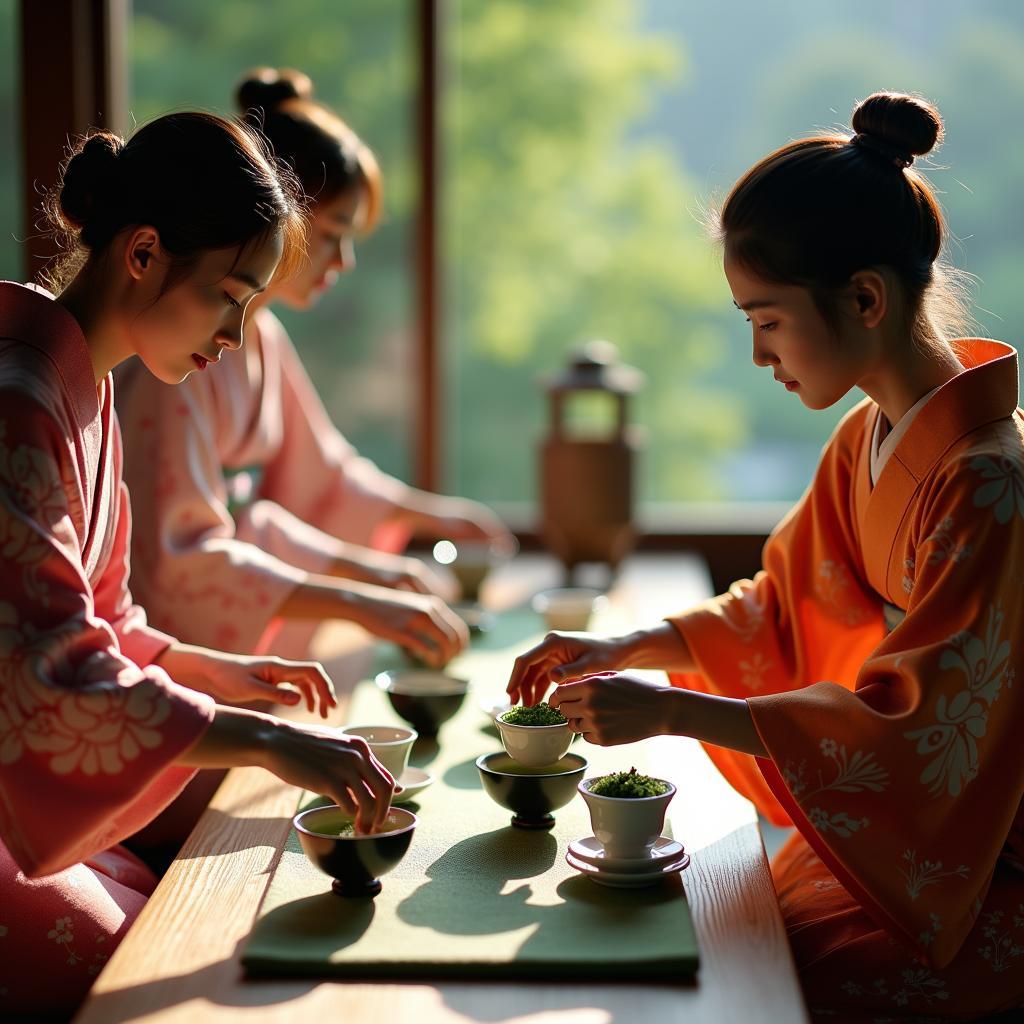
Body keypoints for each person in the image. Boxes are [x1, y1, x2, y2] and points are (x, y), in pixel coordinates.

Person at [506, 92, 1024, 1021]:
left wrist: (673, 709)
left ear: (865, 297)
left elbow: (915, 732)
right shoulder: (871, 437)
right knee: (714, 922)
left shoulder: (991, 484)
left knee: (759, 973)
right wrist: (627, 649)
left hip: (988, 865)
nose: (757, 354)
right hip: (929, 843)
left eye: (768, 319)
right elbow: (783, 607)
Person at [0, 113, 399, 1016]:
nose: (233, 336)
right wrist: (264, 734)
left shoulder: (77, 389)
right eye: (229, 294)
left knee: (194, 921)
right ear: (142, 254)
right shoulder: (22, 401)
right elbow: (51, 672)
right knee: (143, 971)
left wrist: (235, 679)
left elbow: (108, 624)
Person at [115, 66, 509, 665]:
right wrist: (360, 591)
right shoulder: (175, 357)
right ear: (283, 219)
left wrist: (423, 523)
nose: (343, 261)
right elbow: (183, 555)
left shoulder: (259, 335)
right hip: (175, 649)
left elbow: (323, 475)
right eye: (330, 234)